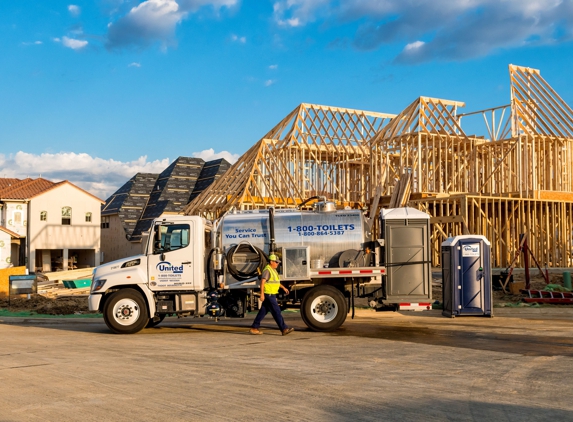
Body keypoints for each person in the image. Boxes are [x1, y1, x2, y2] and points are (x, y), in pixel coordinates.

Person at [250, 254, 294, 336]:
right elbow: (262, 283)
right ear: (271, 262)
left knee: (263, 311)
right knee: (276, 311)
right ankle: (284, 329)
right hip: (269, 294)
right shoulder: (267, 270)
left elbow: (276, 282)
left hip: (272, 294)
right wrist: (262, 294)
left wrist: (283, 288)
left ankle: (254, 327)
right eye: (276, 262)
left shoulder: (273, 270)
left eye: (278, 262)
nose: (277, 264)